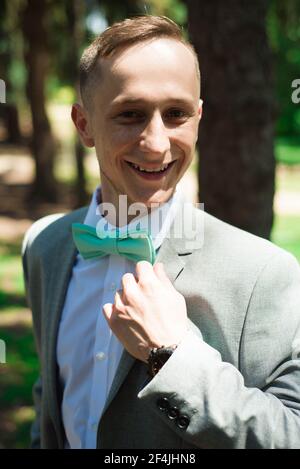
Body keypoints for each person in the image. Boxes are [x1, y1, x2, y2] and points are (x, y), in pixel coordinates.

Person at [22, 15, 300, 450]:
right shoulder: (44, 245)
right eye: (130, 115)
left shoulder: (264, 274)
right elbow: (50, 399)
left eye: (176, 114)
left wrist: (171, 356)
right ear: (84, 124)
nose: (156, 143)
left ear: (199, 116)